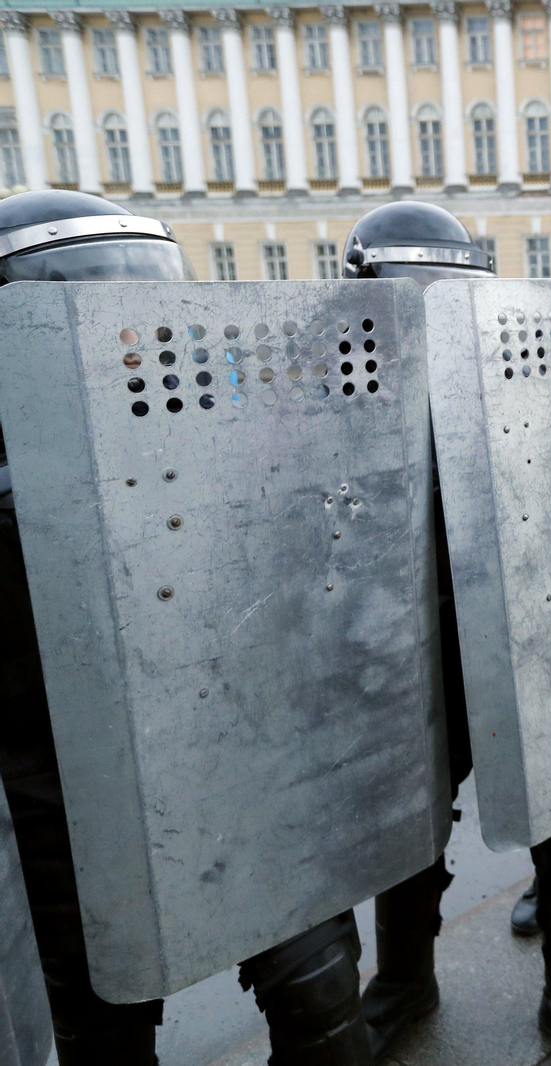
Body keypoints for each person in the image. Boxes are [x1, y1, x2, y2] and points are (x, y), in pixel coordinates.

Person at [0, 190, 372, 1065]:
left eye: (149, 316)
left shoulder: (234, 444)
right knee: (104, 1016)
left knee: (318, 985)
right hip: (60, 804)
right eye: (109, 318)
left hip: (245, 757)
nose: (139, 341)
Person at [344, 199, 551, 1064]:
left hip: (513, 625)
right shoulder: (340, 385)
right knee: (408, 823)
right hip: (397, 646)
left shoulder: (522, 361)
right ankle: (403, 979)